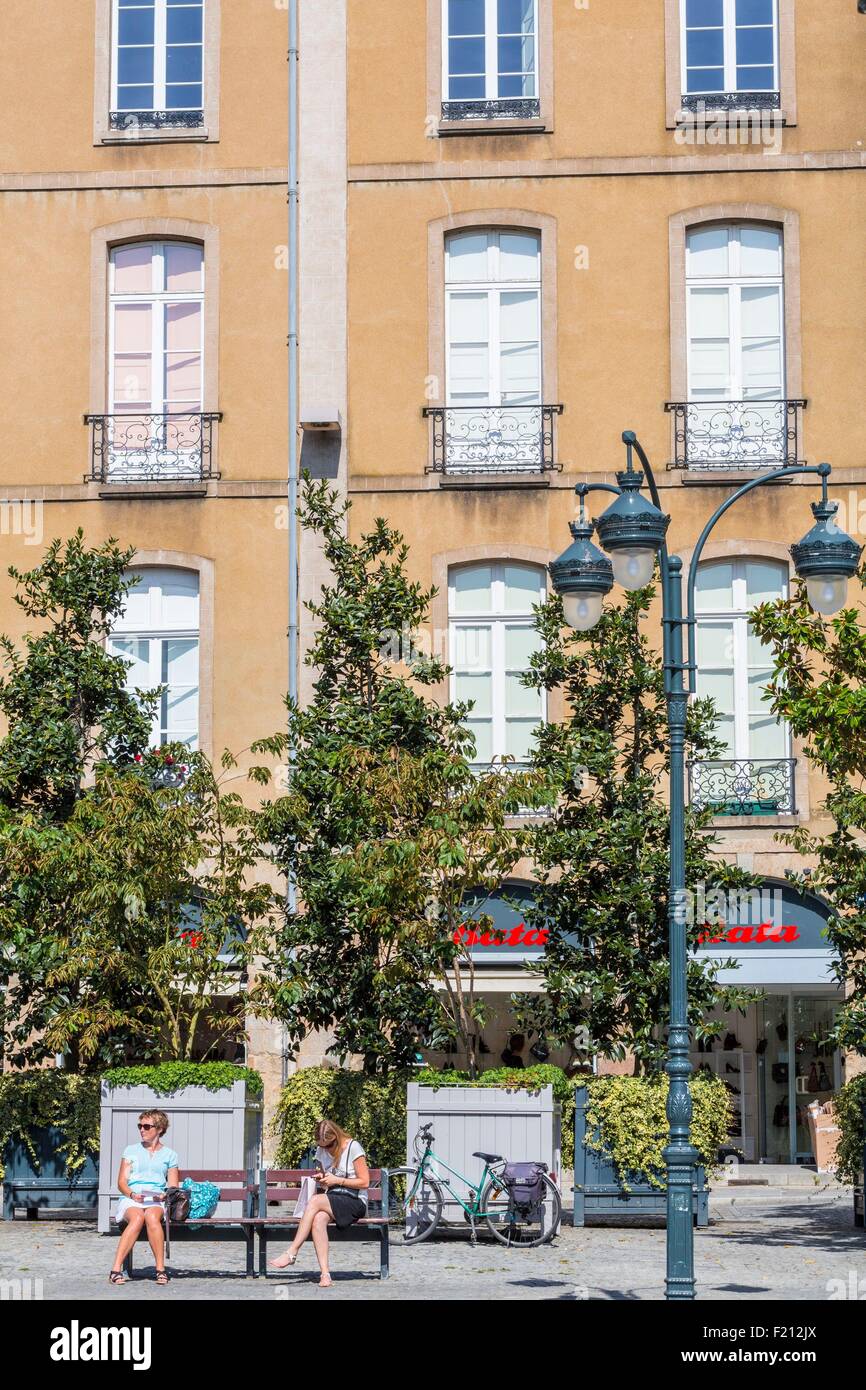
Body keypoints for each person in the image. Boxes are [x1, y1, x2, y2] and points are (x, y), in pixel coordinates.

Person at [270, 1118, 370, 1288]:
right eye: (322, 1146)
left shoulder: (353, 1147)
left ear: (336, 1138)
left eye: (329, 1146)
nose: (325, 1149)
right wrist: (322, 1179)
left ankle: (292, 1251)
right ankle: (325, 1274)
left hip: (354, 1201)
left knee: (315, 1201)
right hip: (333, 1198)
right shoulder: (322, 1150)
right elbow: (327, 1180)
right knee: (318, 1220)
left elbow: (365, 1182)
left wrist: (338, 1180)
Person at [109, 1110, 180, 1286]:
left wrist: (164, 1194)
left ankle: (160, 1269)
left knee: (151, 1216)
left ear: (160, 1128)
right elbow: (121, 1182)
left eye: (147, 1126)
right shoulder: (130, 1151)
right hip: (132, 1198)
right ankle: (116, 1269)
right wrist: (133, 1194)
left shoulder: (170, 1155)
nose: (142, 1129)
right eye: (140, 1126)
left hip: (155, 1200)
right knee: (137, 1217)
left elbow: (173, 1186)